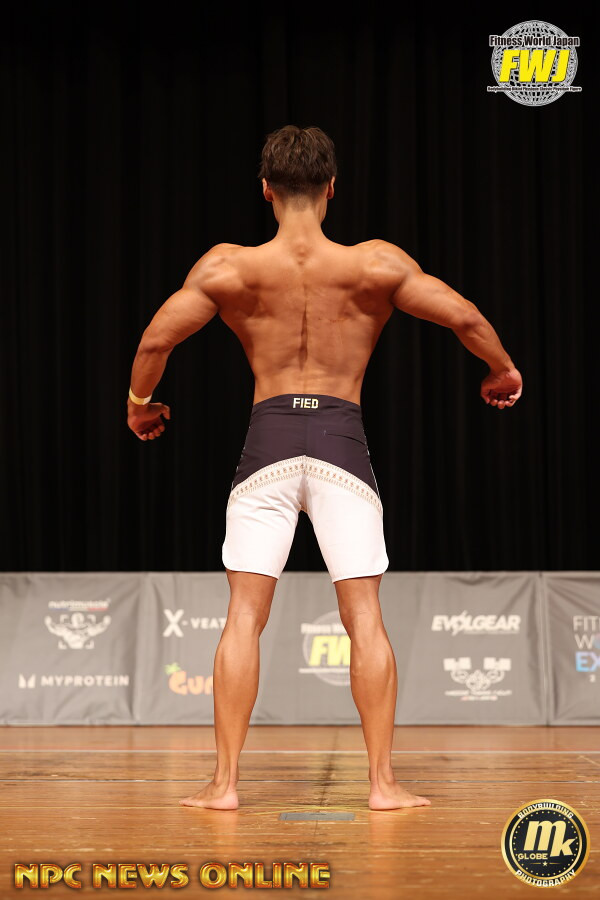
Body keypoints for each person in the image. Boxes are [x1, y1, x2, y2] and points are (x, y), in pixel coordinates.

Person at [127, 125, 522, 811]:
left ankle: (224, 785)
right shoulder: (375, 265)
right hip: (342, 446)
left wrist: (139, 406)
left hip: (268, 447)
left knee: (244, 616)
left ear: (266, 190)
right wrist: (502, 370)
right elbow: (463, 316)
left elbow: (156, 340)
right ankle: (382, 784)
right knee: (363, 616)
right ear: (333, 187)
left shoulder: (229, 268)